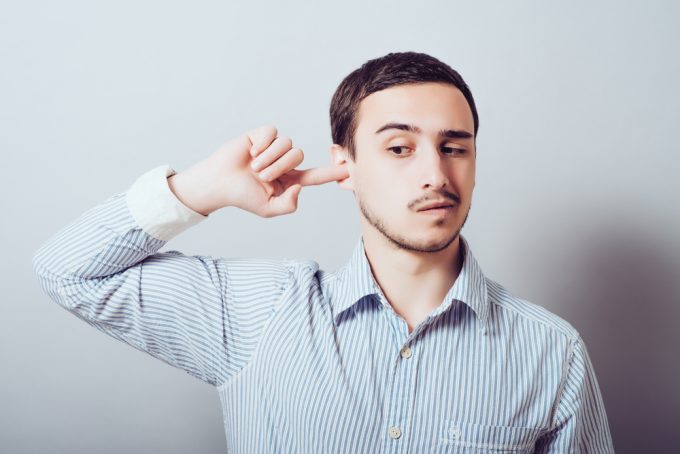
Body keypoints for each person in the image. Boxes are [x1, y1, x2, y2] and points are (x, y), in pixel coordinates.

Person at [32, 51, 614, 453]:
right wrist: (201, 189)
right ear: (346, 168)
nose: (435, 174)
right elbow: (68, 271)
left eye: (454, 148)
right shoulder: (258, 314)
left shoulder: (550, 352)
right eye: (399, 148)